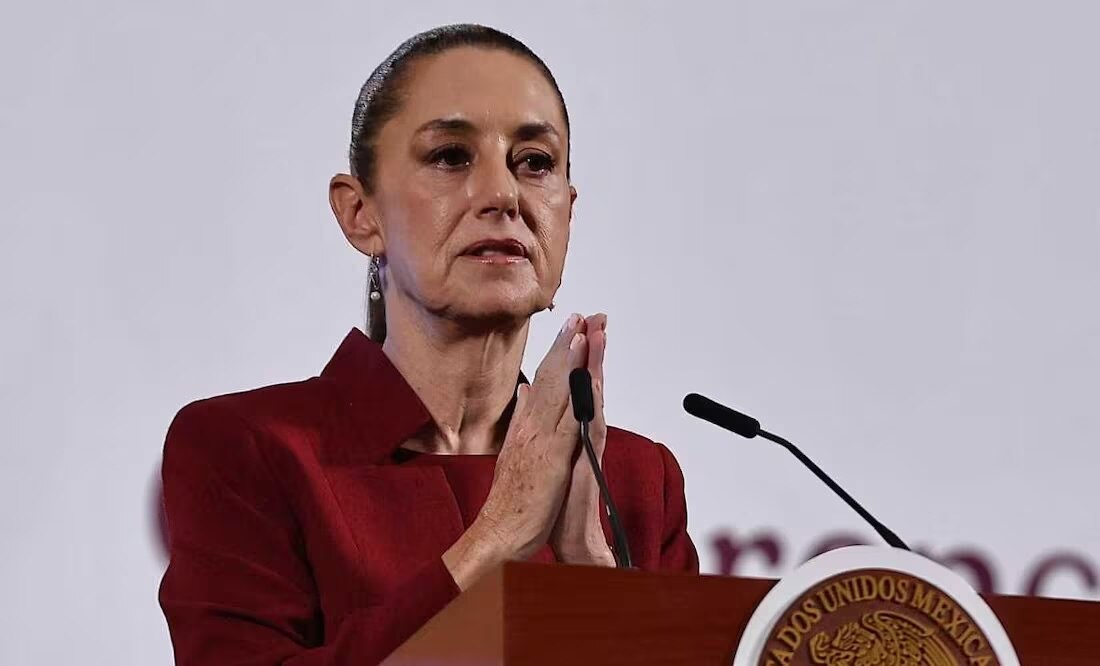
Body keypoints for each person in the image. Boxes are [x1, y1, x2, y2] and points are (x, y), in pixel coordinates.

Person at [158, 24, 698, 666]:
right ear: (361, 214)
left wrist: (593, 580)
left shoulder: (637, 480)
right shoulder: (248, 450)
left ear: (567, 213)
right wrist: (495, 539)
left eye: (535, 163)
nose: (503, 195)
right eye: (450, 156)